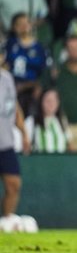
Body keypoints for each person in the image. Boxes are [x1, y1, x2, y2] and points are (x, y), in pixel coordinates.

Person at [0, 35, 30, 226]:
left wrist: (24, 133)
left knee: (14, 185)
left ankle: (5, 222)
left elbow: (14, 106)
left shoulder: (7, 78)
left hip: (5, 142)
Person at [26, 88, 71, 153]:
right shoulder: (31, 121)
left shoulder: (62, 120)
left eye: (54, 101)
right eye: (48, 101)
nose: (51, 104)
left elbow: (69, 144)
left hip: (60, 162)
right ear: (41, 102)